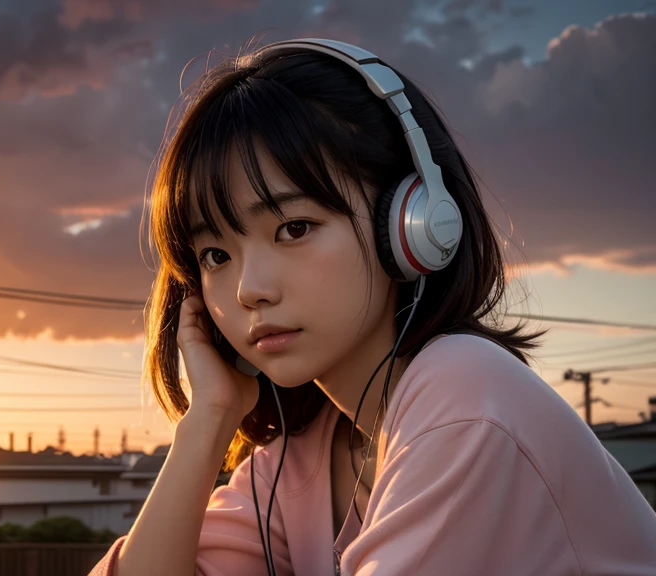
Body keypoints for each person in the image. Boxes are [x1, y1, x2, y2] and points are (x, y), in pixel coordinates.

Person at [87, 38, 656, 576]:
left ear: (413, 223)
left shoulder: (464, 392)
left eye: (294, 227)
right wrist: (207, 421)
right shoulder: (299, 462)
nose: (248, 289)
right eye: (215, 254)